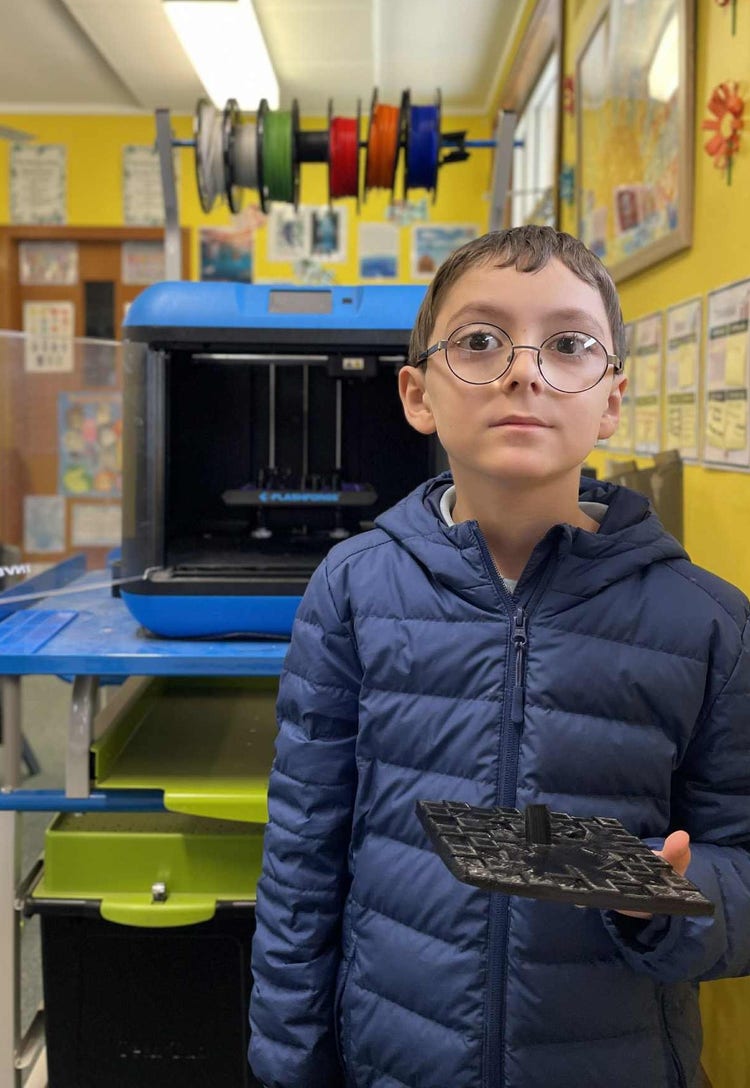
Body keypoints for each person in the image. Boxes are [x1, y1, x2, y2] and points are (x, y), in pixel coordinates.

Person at [249, 226, 750, 1088]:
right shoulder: (353, 590)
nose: (524, 370)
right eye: (480, 341)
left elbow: (739, 866)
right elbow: (301, 861)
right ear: (418, 394)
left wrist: (671, 894)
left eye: (568, 344)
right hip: (395, 1058)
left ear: (613, 399)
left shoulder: (708, 623)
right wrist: (287, 1066)